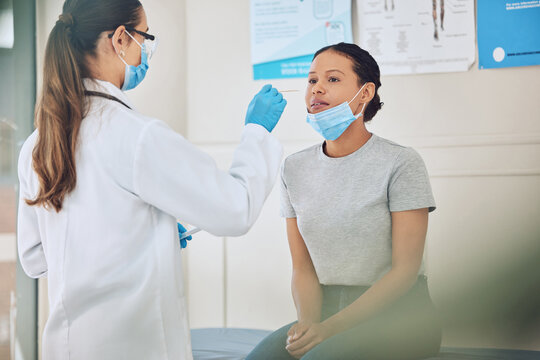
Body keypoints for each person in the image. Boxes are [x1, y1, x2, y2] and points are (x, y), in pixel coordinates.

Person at [17, 0, 286, 359]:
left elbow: (36, 259)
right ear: (119, 38)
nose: (148, 50)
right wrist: (256, 132)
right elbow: (235, 210)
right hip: (133, 347)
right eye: (146, 37)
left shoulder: (37, 144)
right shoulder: (136, 136)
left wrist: (142, 235)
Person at [246, 42, 441, 360]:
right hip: (325, 312)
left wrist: (330, 330)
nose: (317, 88)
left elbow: (404, 272)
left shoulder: (401, 163)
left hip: (401, 318)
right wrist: (309, 324)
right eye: (312, 80)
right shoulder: (293, 168)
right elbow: (303, 267)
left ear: (365, 93)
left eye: (333, 79)